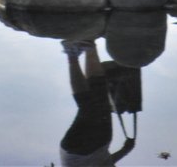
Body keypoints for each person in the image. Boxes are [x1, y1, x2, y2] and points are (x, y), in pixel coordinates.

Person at [58, 39, 135, 167]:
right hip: (73, 151)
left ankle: (73, 53)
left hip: (92, 148)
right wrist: (125, 150)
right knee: (98, 95)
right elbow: (109, 162)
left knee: (90, 106)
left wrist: (125, 150)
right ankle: (89, 47)